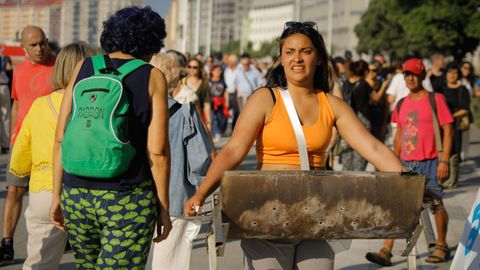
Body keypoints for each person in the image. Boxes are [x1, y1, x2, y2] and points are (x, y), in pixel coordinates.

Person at [184, 21, 405, 270]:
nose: (297, 59)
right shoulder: (265, 98)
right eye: (289, 52)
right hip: (267, 215)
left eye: (305, 51)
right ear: (281, 58)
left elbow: (373, 148)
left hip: (316, 215)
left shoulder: (332, 105)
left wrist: (410, 182)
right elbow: (234, 150)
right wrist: (202, 193)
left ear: (319, 58)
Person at [49, 6, 172, 269]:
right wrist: (163, 207)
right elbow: (157, 152)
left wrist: (56, 195)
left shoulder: (84, 67)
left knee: (86, 265)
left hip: (77, 194)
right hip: (127, 198)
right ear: (151, 42)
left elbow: (60, 137)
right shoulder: (152, 76)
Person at [9, 42, 93, 270]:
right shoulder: (95, 104)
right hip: (88, 190)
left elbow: (20, 154)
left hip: (44, 190)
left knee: (39, 262)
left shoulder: (40, 105)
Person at [366, 58, 453, 266]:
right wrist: (393, 162)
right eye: (406, 74)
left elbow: (448, 130)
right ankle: (386, 250)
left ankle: (441, 245)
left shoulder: (436, 99)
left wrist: (444, 161)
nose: (410, 78)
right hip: (406, 162)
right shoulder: (401, 103)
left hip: (431, 161)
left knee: (436, 204)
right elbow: (399, 135)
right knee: (397, 206)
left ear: (422, 76)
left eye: (414, 74)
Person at [147, 52, 215, 270]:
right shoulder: (185, 112)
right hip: (175, 199)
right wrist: (198, 190)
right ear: (175, 78)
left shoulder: (136, 109)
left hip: (136, 195)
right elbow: (202, 159)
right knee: (169, 263)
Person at [0, 25, 56, 266]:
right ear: (23, 48)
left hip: (52, 141)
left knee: (53, 191)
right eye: (33, 45)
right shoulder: (20, 70)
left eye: (42, 42)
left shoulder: (59, 66)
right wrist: (14, 133)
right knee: (14, 191)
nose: (39, 48)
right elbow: (16, 103)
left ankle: (63, 235)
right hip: (23, 140)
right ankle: (6, 242)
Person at [438, 63, 471, 189]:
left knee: (454, 150)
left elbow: (465, 109)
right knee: (441, 148)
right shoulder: (440, 89)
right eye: (450, 72)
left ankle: (452, 179)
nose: (453, 75)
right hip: (441, 126)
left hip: (455, 125)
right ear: (446, 74)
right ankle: (441, 177)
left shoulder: (462, 90)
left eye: (455, 73)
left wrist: (450, 115)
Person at [340, 60, 373, 171]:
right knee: (360, 153)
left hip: (347, 120)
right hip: (362, 121)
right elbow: (375, 99)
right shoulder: (365, 85)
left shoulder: (345, 83)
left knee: (346, 155)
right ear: (365, 71)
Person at [184, 58, 212, 129]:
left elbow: (207, 104)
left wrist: (208, 122)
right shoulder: (182, 82)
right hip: (183, 118)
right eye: (189, 66)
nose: (192, 69)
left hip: (198, 119)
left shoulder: (204, 84)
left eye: (195, 67)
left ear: (199, 69)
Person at [366, 62, 389, 142]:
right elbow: (375, 99)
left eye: (374, 70)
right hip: (367, 122)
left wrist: (385, 123)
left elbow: (386, 104)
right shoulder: (364, 85)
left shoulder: (380, 84)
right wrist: (382, 87)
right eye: (369, 70)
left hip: (379, 121)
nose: (372, 72)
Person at [209, 65, 229, 141]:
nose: (219, 72)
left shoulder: (222, 81)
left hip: (221, 102)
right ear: (212, 72)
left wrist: (227, 102)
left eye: (219, 71)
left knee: (221, 118)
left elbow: (225, 92)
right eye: (217, 70)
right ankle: (215, 133)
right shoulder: (208, 81)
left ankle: (219, 131)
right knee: (212, 117)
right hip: (211, 102)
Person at [224, 54, 240, 130]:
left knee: (236, 112)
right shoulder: (227, 70)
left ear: (234, 62)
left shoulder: (240, 69)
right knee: (225, 111)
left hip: (236, 93)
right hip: (227, 93)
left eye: (230, 61)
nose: (228, 63)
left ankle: (234, 128)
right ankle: (224, 129)